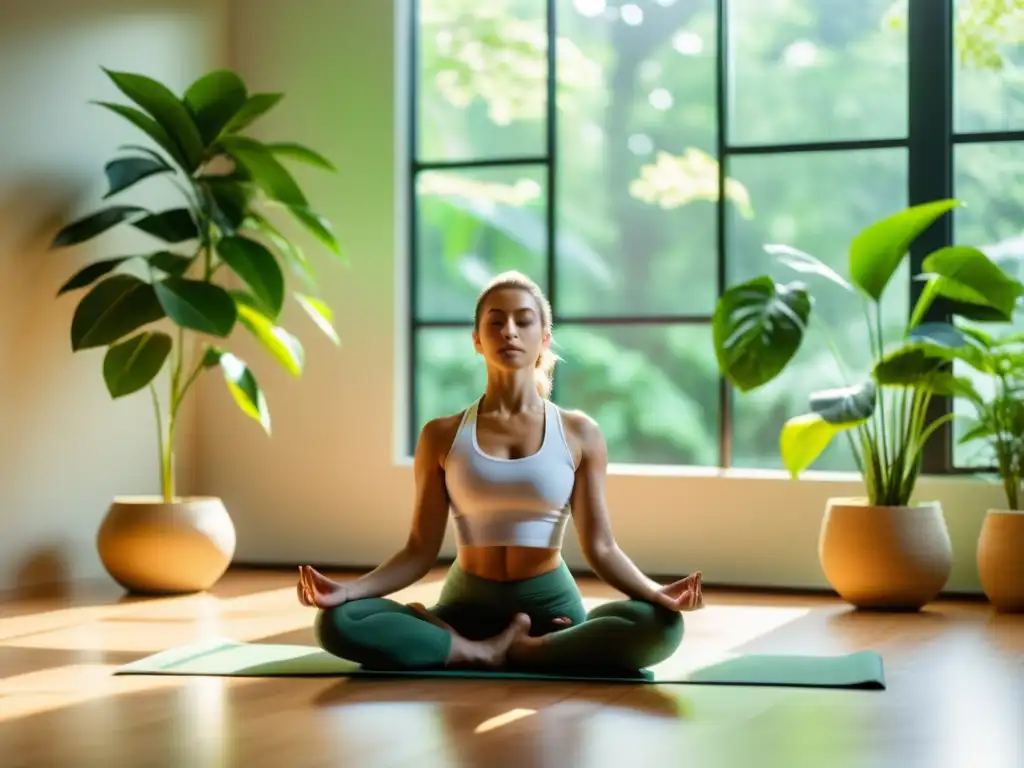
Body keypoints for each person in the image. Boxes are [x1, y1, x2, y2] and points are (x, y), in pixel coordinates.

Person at [296, 271, 704, 674]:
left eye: (524, 320)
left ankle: (525, 649)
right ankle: (480, 650)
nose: (510, 331)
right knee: (337, 621)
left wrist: (656, 592)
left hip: (549, 608)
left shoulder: (580, 433)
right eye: (496, 321)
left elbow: (602, 548)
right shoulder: (441, 435)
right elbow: (419, 550)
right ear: (477, 339)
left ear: (544, 338)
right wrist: (348, 590)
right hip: (465, 606)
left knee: (662, 626)